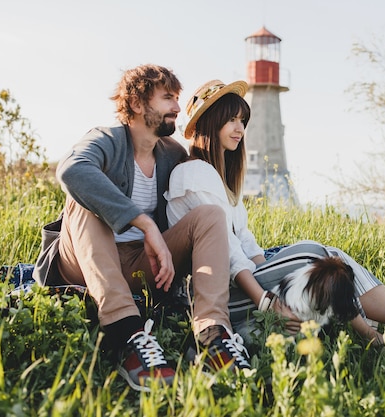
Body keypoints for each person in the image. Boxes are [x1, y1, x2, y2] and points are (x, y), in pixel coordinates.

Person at [164, 79, 385, 349]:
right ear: (209, 123)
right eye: (231, 120)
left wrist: (271, 265)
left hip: (243, 277)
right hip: (214, 293)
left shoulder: (219, 179)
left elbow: (246, 242)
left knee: (333, 257)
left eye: (243, 120)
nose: (240, 129)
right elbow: (228, 253)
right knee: (317, 256)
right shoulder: (194, 173)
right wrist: (266, 300)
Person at [32, 66, 251, 393]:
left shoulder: (172, 154)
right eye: (167, 98)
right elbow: (71, 170)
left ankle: (210, 336)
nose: (177, 107)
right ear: (136, 103)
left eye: (177, 99)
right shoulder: (107, 139)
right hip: (82, 260)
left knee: (209, 216)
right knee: (83, 201)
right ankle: (128, 335)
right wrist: (143, 221)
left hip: (140, 264)